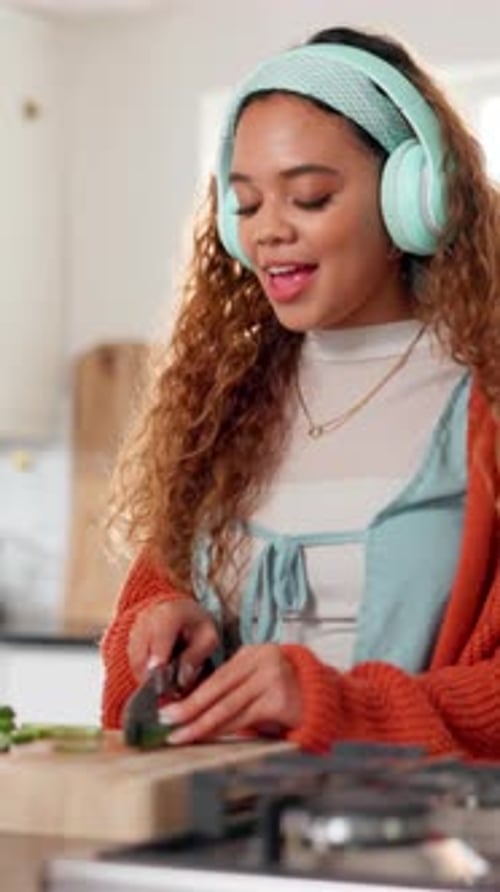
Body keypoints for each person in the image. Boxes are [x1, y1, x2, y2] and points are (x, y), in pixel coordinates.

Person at [101, 26, 500, 757]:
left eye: (309, 197)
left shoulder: (486, 399)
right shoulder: (222, 402)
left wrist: (330, 702)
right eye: (247, 206)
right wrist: (160, 627)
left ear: (412, 198)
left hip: (420, 852)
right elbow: (149, 612)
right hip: (227, 838)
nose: (268, 234)